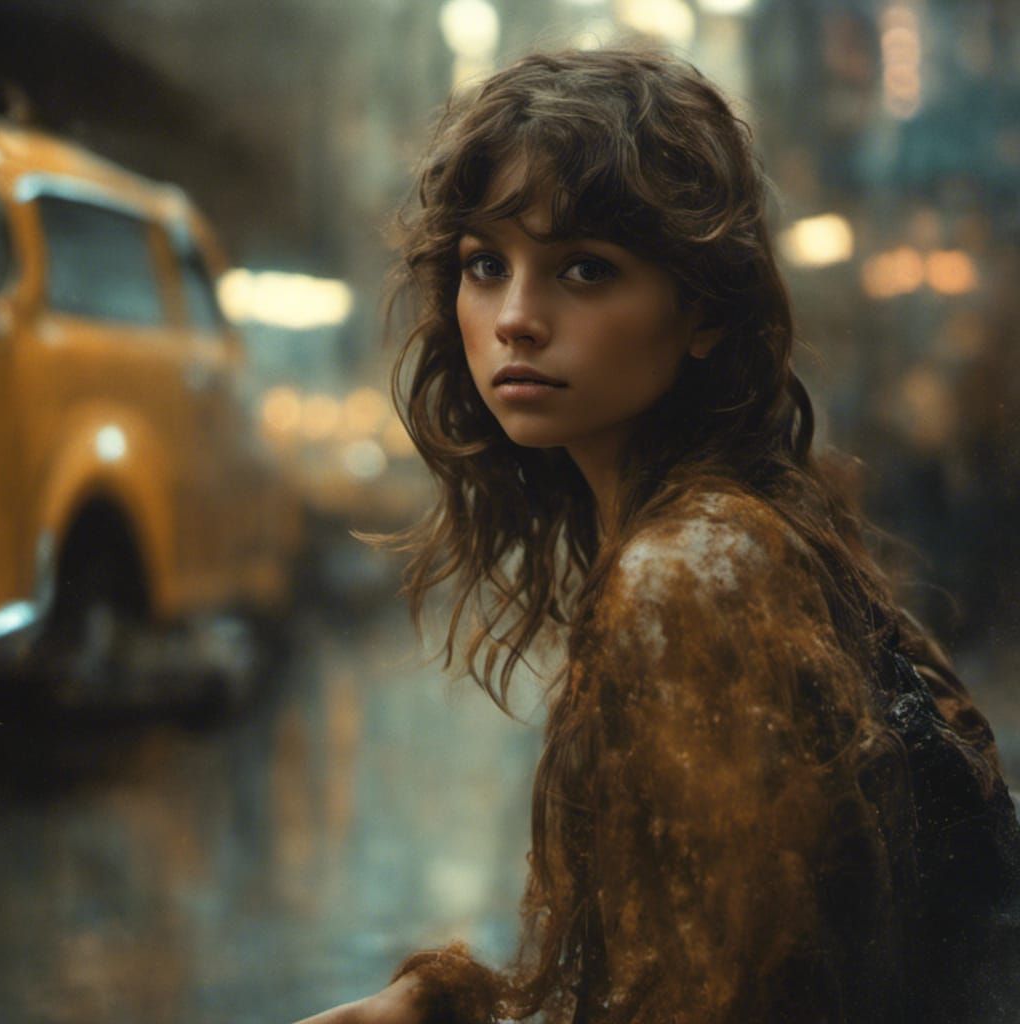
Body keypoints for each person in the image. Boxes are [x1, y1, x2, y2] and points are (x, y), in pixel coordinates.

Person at [296, 47, 1020, 1024]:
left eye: (584, 269)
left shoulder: (688, 573)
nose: (514, 318)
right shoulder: (738, 533)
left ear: (703, 314)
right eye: (484, 265)